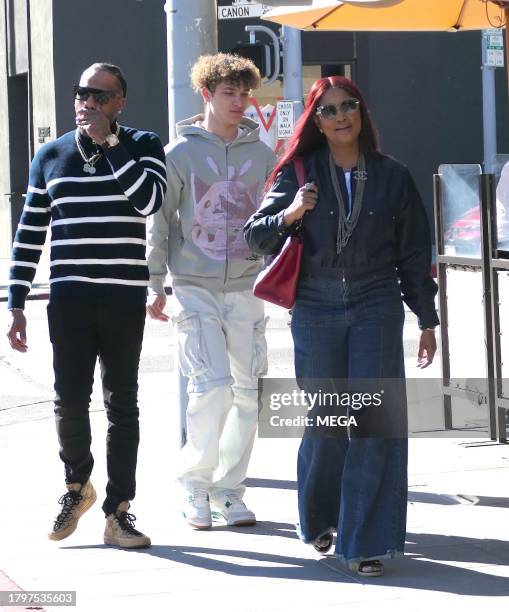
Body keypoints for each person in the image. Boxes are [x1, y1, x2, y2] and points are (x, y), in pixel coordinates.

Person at [244, 76, 438, 576]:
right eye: (328, 111)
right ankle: (322, 518)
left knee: (374, 424)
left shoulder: (392, 176)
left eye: (347, 106)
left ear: (361, 112)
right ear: (317, 121)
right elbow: (255, 236)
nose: (340, 116)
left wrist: (426, 316)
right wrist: (290, 212)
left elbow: (415, 253)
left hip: (377, 300)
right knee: (327, 423)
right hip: (315, 304)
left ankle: (365, 541)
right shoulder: (298, 171)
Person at [6, 62, 167, 549]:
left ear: (120, 103)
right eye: (82, 94)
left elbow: (149, 203)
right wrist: (14, 300)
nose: (88, 103)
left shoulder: (142, 144)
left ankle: (119, 511)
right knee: (69, 401)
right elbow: (31, 230)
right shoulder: (50, 155)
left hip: (121, 297)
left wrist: (112, 146)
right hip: (70, 299)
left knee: (123, 405)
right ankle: (77, 486)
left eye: (100, 95)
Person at [146, 53, 276, 529]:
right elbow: (159, 223)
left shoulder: (262, 155)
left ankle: (229, 491)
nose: (240, 102)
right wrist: (154, 284)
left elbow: (273, 219)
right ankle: (194, 486)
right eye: (229, 94)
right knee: (212, 386)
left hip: (248, 286)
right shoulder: (177, 153)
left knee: (247, 392)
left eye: (245, 94)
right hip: (195, 285)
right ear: (207, 95)